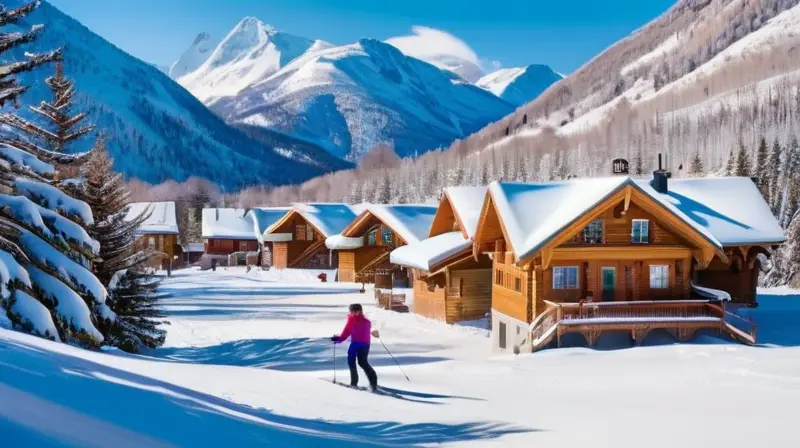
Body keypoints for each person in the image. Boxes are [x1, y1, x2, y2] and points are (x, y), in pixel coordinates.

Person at [332, 304, 380, 391]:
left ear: (357, 311)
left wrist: (337, 339)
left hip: (356, 345)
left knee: (352, 362)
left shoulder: (352, 321)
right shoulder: (367, 321)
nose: (351, 313)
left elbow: (345, 334)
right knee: (362, 362)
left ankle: (354, 383)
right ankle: (373, 382)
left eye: (352, 311)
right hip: (366, 345)